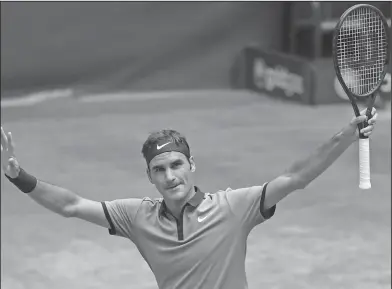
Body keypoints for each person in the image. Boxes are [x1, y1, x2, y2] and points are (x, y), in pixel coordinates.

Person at [1, 107, 378, 289]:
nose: (170, 176)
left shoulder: (234, 207)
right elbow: (70, 205)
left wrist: (345, 135)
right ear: (149, 177)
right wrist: (19, 177)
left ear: (192, 165)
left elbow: (296, 177)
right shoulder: (135, 217)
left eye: (176, 165)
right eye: (159, 170)